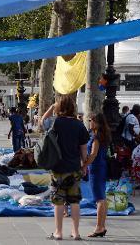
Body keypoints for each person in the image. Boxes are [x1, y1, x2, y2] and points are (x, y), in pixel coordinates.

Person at [47, 95, 88, 241]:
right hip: (74, 167)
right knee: (75, 201)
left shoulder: (55, 122)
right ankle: (76, 232)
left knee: (58, 201)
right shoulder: (79, 125)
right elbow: (83, 149)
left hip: (58, 168)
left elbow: (41, 122)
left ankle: (58, 232)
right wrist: (84, 165)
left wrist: (52, 107)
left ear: (59, 108)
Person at [83, 113, 110, 238]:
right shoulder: (103, 135)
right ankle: (102, 226)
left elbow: (93, 154)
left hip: (96, 169)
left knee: (99, 199)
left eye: (91, 120)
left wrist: (84, 165)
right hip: (102, 167)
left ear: (97, 122)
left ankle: (99, 227)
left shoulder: (96, 137)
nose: (89, 122)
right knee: (102, 198)